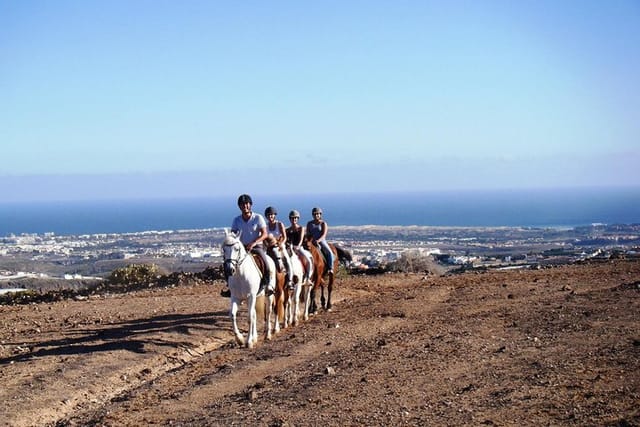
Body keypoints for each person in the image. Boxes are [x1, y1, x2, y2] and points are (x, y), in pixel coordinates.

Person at [222, 194, 272, 297]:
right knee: (227, 264)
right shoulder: (236, 220)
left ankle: (268, 285)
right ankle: (229, 286)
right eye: (242, 204)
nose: (245, 206)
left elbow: (265, 234)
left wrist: (254, 243)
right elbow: (233, 235)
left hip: (256, 247)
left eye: (246, 204)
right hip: (241, 249)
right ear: (239, 207)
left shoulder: (258, 218)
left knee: (266, 264)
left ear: (250, 205)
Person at [264, 206, 293, 289]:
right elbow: (264, 238)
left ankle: (290, 280)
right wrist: (267, 245)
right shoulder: (265, 226)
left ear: (274, 215)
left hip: (280, 245)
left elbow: (284, 237)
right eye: (269, 215)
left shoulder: (279, 224)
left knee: (287, 260)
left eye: (272, 215)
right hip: (269, 246)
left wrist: (281, 243)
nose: (270, 217)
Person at [305, 207, 336, 274]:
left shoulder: (323, 223)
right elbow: (308, 233)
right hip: (311, 241)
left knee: (329, 252)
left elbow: (324, 235)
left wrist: (318, 241)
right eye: (314, 214)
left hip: (321, 241)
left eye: (317, 214)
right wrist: (309, 240)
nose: (316, 215)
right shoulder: (309, 223)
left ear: (320, 214)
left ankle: (330, 268)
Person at [285, 209, 313, 278]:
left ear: (297, 219)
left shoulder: (301, 228)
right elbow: (286, 240)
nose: (294, 219)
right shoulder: (287, 230)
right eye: (292, 218)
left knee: (308, 260)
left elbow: (301, 239)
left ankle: (308, 277)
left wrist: (298, 246)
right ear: (290, 219)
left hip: (299, 247)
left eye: (295, 218)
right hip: (290, 249)